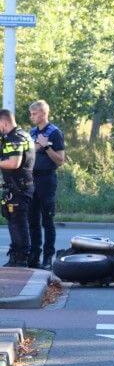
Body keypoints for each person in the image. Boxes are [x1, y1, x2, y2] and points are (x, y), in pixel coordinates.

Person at [28, 100, 66, 269]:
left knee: (47, 221)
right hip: (32, 180)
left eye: (34, 114)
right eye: (31, 114)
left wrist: (46, 147)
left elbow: (61, 160)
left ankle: (47, 258)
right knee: (32, 220)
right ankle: (34, 256)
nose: (31, 117)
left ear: (43, 114)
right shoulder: (32, 132)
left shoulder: (54, 132)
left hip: (46, 180)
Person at [0, 109, 35, 267]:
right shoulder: (23, 135)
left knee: (18, 223)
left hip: (19, 188)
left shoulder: (15, 138)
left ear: (3, 122)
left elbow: (14, 163)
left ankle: (21, 259)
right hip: (19, 186)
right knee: (15, 222)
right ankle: (17, 256)